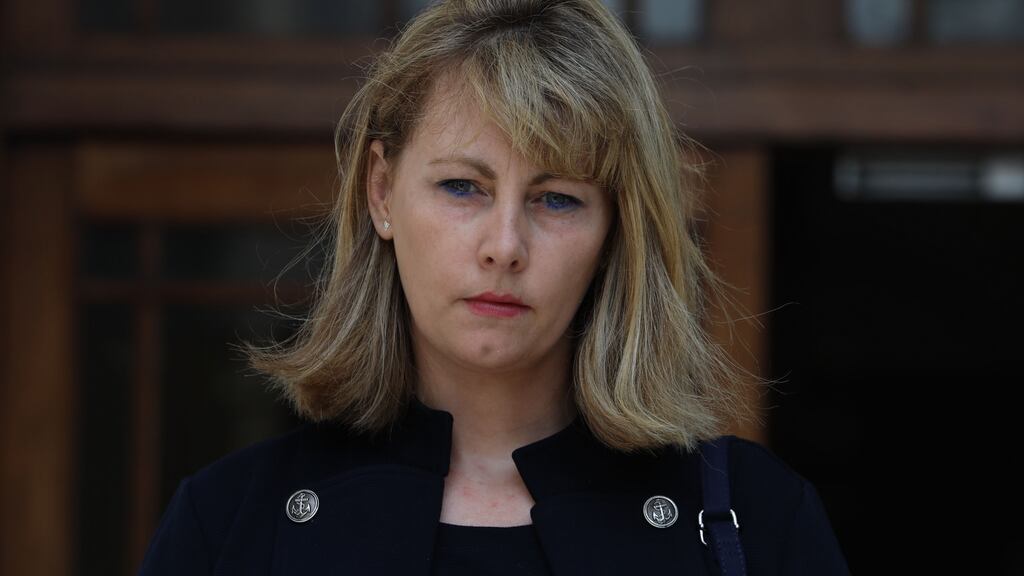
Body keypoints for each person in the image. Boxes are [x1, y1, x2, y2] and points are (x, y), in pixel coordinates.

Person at [139, 1, 850, 574]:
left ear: (615, 230)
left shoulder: (755, 519)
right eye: (462, 187)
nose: (504, 246)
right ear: (382, 192)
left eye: (558, 199)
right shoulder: (231, 520)